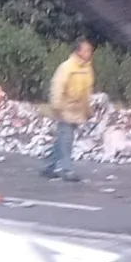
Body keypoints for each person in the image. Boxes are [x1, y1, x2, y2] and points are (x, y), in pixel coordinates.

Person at [42, 38, 95, 182]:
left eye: (90, 50)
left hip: (77, 110)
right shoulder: (67, 67)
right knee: (67, 140)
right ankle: (67, 170)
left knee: (62, 140)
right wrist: (56, 106)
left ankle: (49, 166)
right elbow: (57, 87)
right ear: (78, 51)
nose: (89, 53)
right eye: (86, 50)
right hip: (64, 109)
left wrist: (88, 111)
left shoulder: (87, 69)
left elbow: (87, 92)